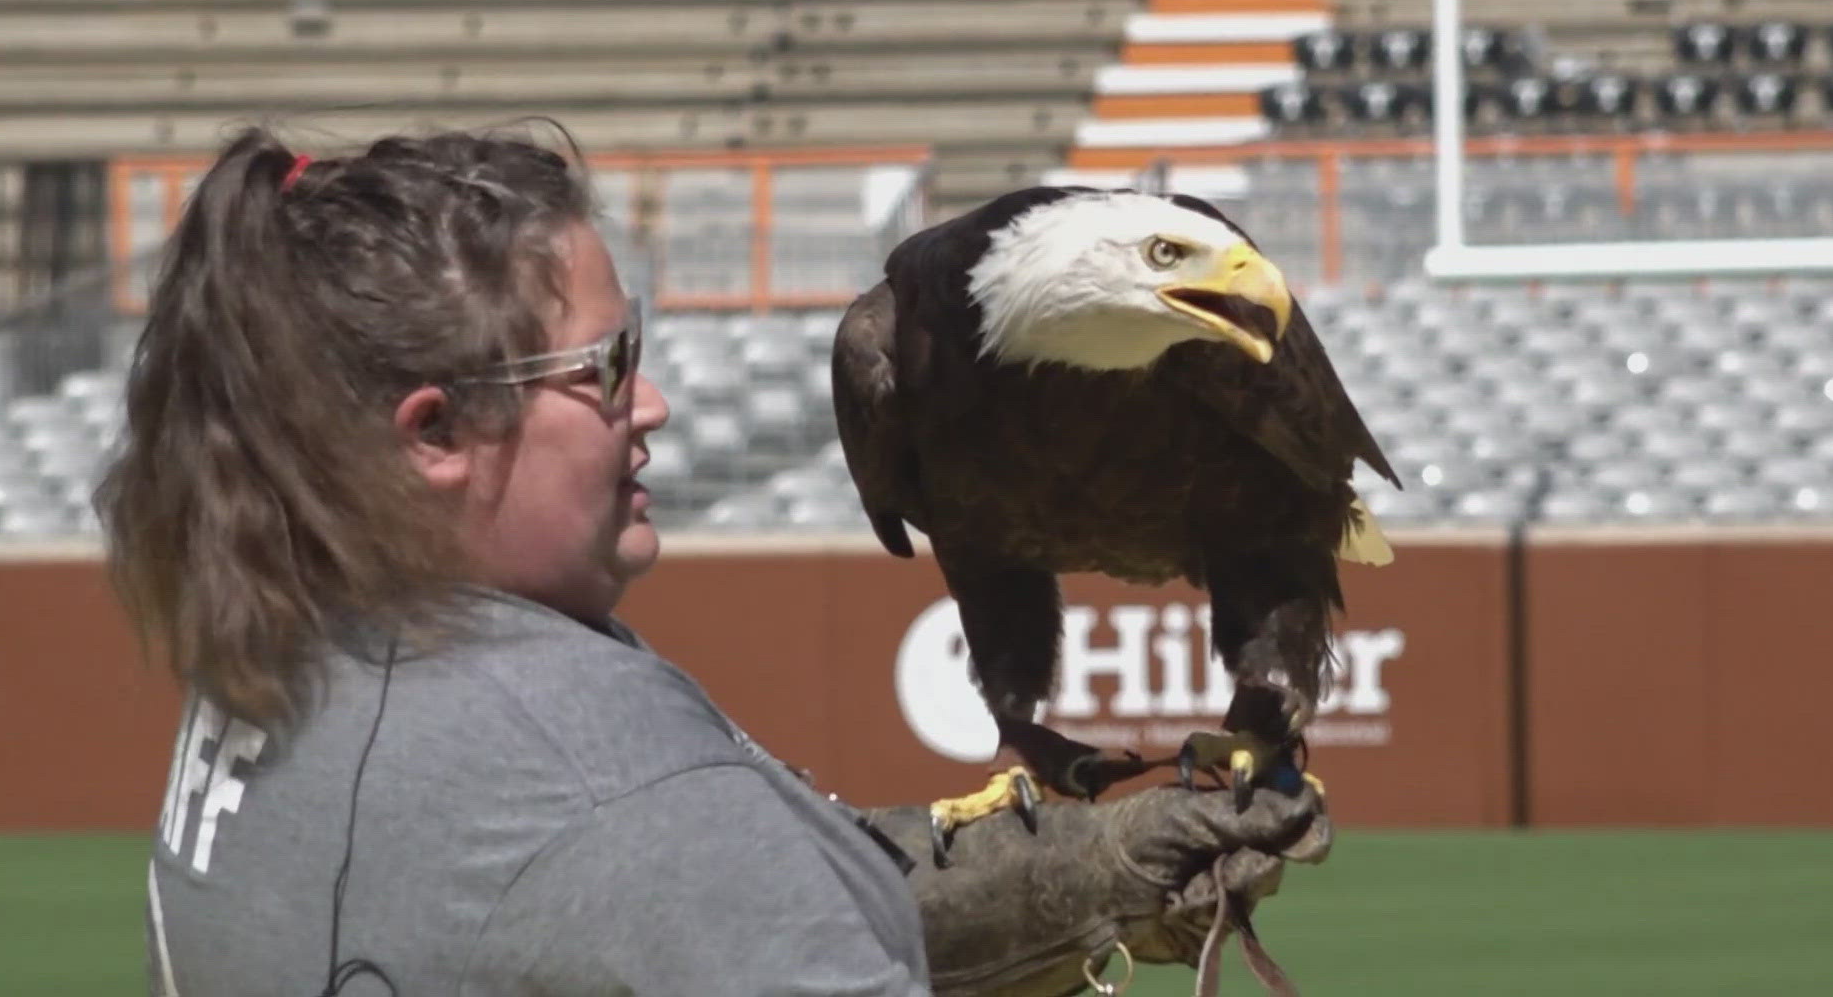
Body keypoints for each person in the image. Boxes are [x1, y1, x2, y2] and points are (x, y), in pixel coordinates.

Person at [102, 125, 1331, 997]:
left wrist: (1073, 886)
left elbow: (616, 921)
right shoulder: (604, 779)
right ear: (433, 434)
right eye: (606, 369)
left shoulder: (283, 663)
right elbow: (658, 864)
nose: (655, 406)